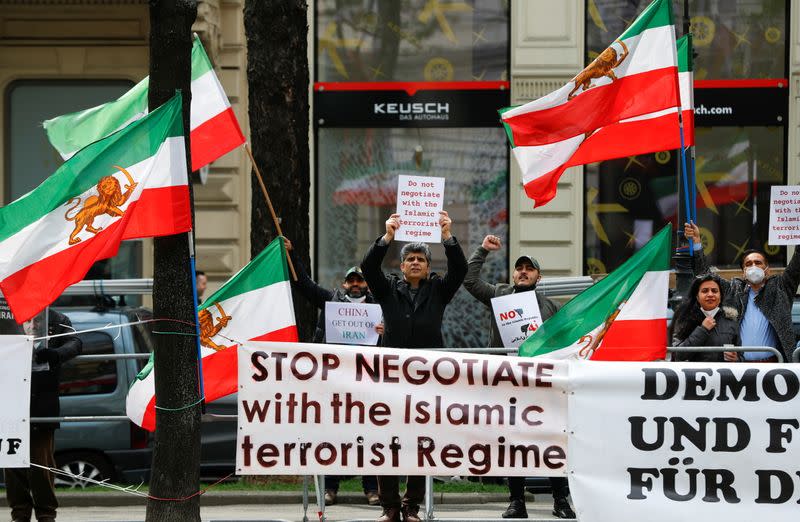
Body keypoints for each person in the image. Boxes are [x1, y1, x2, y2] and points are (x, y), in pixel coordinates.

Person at [361, 211, 467, 522]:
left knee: (421, 443)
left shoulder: (438, 290)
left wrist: (447, 236)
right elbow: (368, 267)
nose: (416, 262)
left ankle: (411, 507)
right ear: (402, 265)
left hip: (428, 379)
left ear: (428, 265)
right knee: (388, 441)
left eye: (421, 258)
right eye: (411, 259)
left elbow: (459, 270)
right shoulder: (387, 289)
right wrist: (387, 237)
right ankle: (390, 507)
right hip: (391, 379)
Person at [463, 234, 575, 520]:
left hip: (540, 383)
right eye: (519, 268)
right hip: (505, 381)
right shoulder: (500, 295)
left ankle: (561, 500)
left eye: (529, 268)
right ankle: (516, 502)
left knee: (549, 438)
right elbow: (470, 281)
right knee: (512, 440)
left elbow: (566, 340)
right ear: (514, 274)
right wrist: (483, 250)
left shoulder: (551, 307)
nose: (523, 271)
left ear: (539, 276)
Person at [284, 238, 380, 506]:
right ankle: (330, 487)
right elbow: (304, 285)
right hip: (334, 381)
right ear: (344, 285)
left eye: (360, 281)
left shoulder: (379, 307)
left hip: (368, 382)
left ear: (367, 285)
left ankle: (372, 488)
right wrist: (293, 255)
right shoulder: (330, 302)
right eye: (351, 281)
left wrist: (385, 331)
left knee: (370, 435)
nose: (356, 285)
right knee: (333, 434)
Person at [6, 309, 82, 522]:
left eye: (37, 320)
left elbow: (76, 342)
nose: (33, 325)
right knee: (12, 465)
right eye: (28, 320)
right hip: (11, 406)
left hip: (42, 406)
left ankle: (46, 514)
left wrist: (57, 354)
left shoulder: (58, 319)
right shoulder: (7, 314)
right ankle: (19, 514)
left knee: (42, 464)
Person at [685, 223, 799, 362]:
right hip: (740, 369)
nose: (753, 266)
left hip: (775, 367)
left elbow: (797, 264)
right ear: (744, 273)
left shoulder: (780, 288)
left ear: (767, 270)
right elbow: (704, 275)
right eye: (748, 264)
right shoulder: (733, 290)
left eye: (758, 263)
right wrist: (696, 242)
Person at [670, 273, 740, 362]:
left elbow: (741, 355)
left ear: (720, 296)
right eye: (705, 291)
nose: (710, 294)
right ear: (697, 297)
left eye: (714, 291)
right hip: (695, 375)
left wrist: (737, 359)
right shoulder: (685, 318)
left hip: (723, 375)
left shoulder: (730, 320)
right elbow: (678, 355)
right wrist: (703, 330)